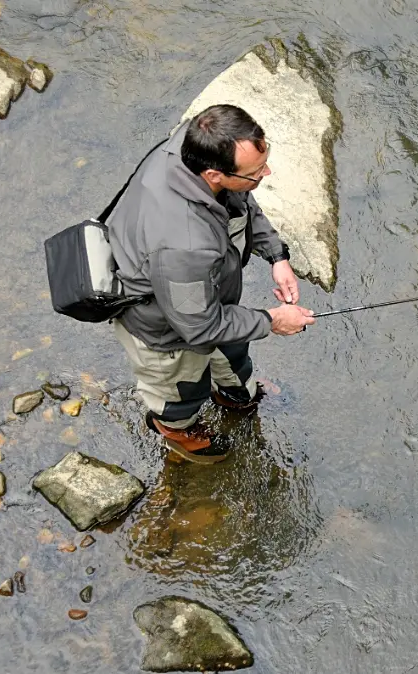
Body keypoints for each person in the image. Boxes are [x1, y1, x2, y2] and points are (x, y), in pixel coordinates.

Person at [107, 104, 316, 463]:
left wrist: (277, 256)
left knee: (233, 351)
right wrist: (273, 320)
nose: (267, 172)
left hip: (205, 299)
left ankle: (235, 394)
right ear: (214, 174)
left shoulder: (194, 144)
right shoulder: (183, 242)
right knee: (180, 390)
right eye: (255, 173)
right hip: (165, 330)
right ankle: (177, 430)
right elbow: (199, 326)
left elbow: (242, 201)